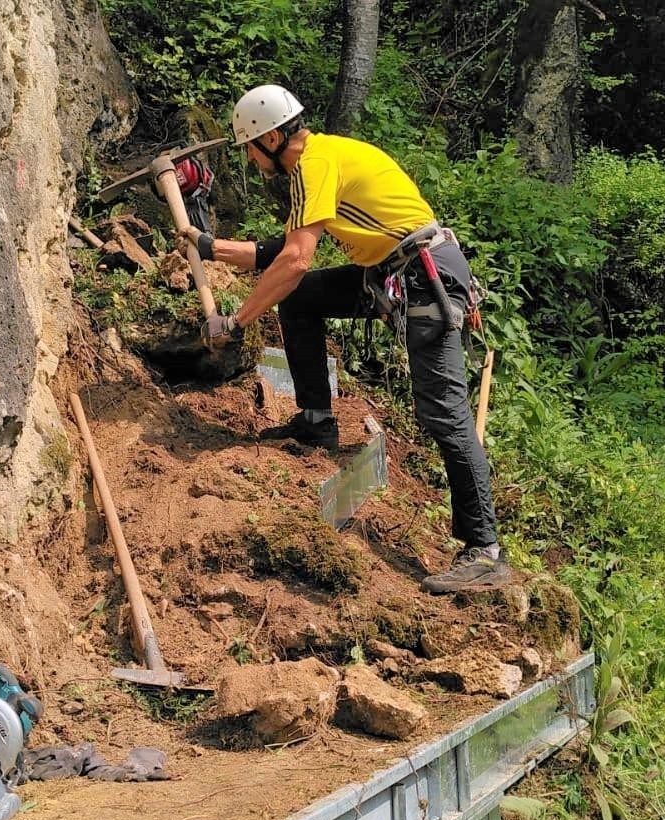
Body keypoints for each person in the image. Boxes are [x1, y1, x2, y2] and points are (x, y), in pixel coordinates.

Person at [186, 84, 510, 594]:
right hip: (390, 273)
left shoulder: (315, 163)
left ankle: (485, 550)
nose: (249, 159)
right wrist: (211, 247)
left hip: (423, 276)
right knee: (302, 300)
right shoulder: (322, 159)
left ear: (271, 137)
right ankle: (316, 421)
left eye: (249, 146)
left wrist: (238, 321)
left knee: (444, 411)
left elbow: (294, 259)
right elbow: (284, 248)